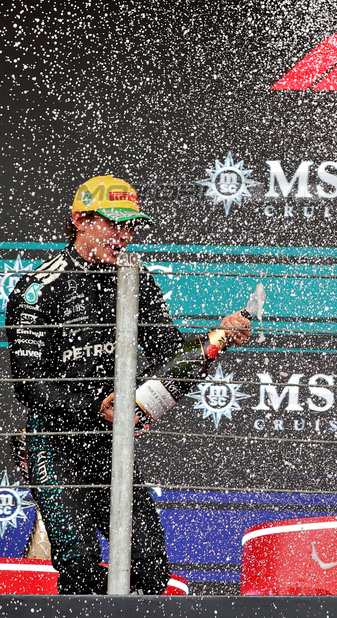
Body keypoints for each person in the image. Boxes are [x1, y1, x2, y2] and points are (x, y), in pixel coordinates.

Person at [5, 175, 251, 594]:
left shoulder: (136, 279)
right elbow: (29, 385)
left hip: (111, 445)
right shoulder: (39, 288)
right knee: (79, 565)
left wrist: (218, 338)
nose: (124, 235)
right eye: (113, 223)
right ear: (80, 220)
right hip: (56, 442)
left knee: (150, 564)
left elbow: (168, 355)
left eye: (131, 225)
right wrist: (94, 405)